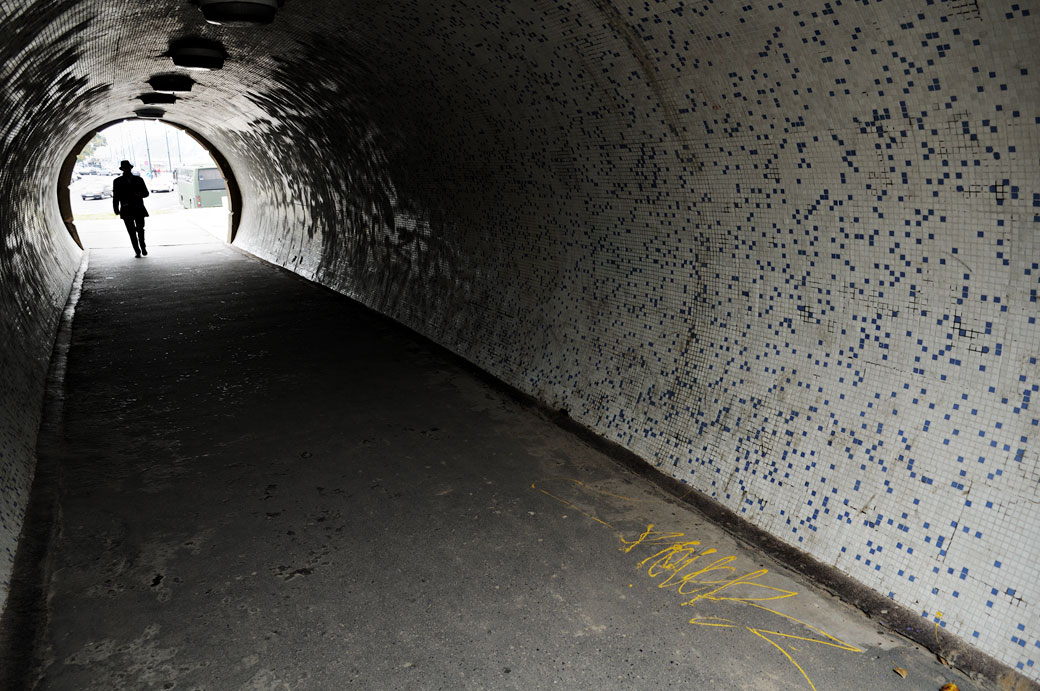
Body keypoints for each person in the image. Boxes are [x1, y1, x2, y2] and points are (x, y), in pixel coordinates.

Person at [112, 160, 150, 257]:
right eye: (125, 168)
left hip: (138, 208)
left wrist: (139, 194)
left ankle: (143, 247)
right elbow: (115, 196)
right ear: (123, 169)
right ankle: (137, 251)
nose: (127, 169)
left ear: (130, 168)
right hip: (126, 209)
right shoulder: (117, 182)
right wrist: (116, 208)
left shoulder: (139, 180)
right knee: (132, 232)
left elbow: (146, 193)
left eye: (128, 168)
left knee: (140, 229)